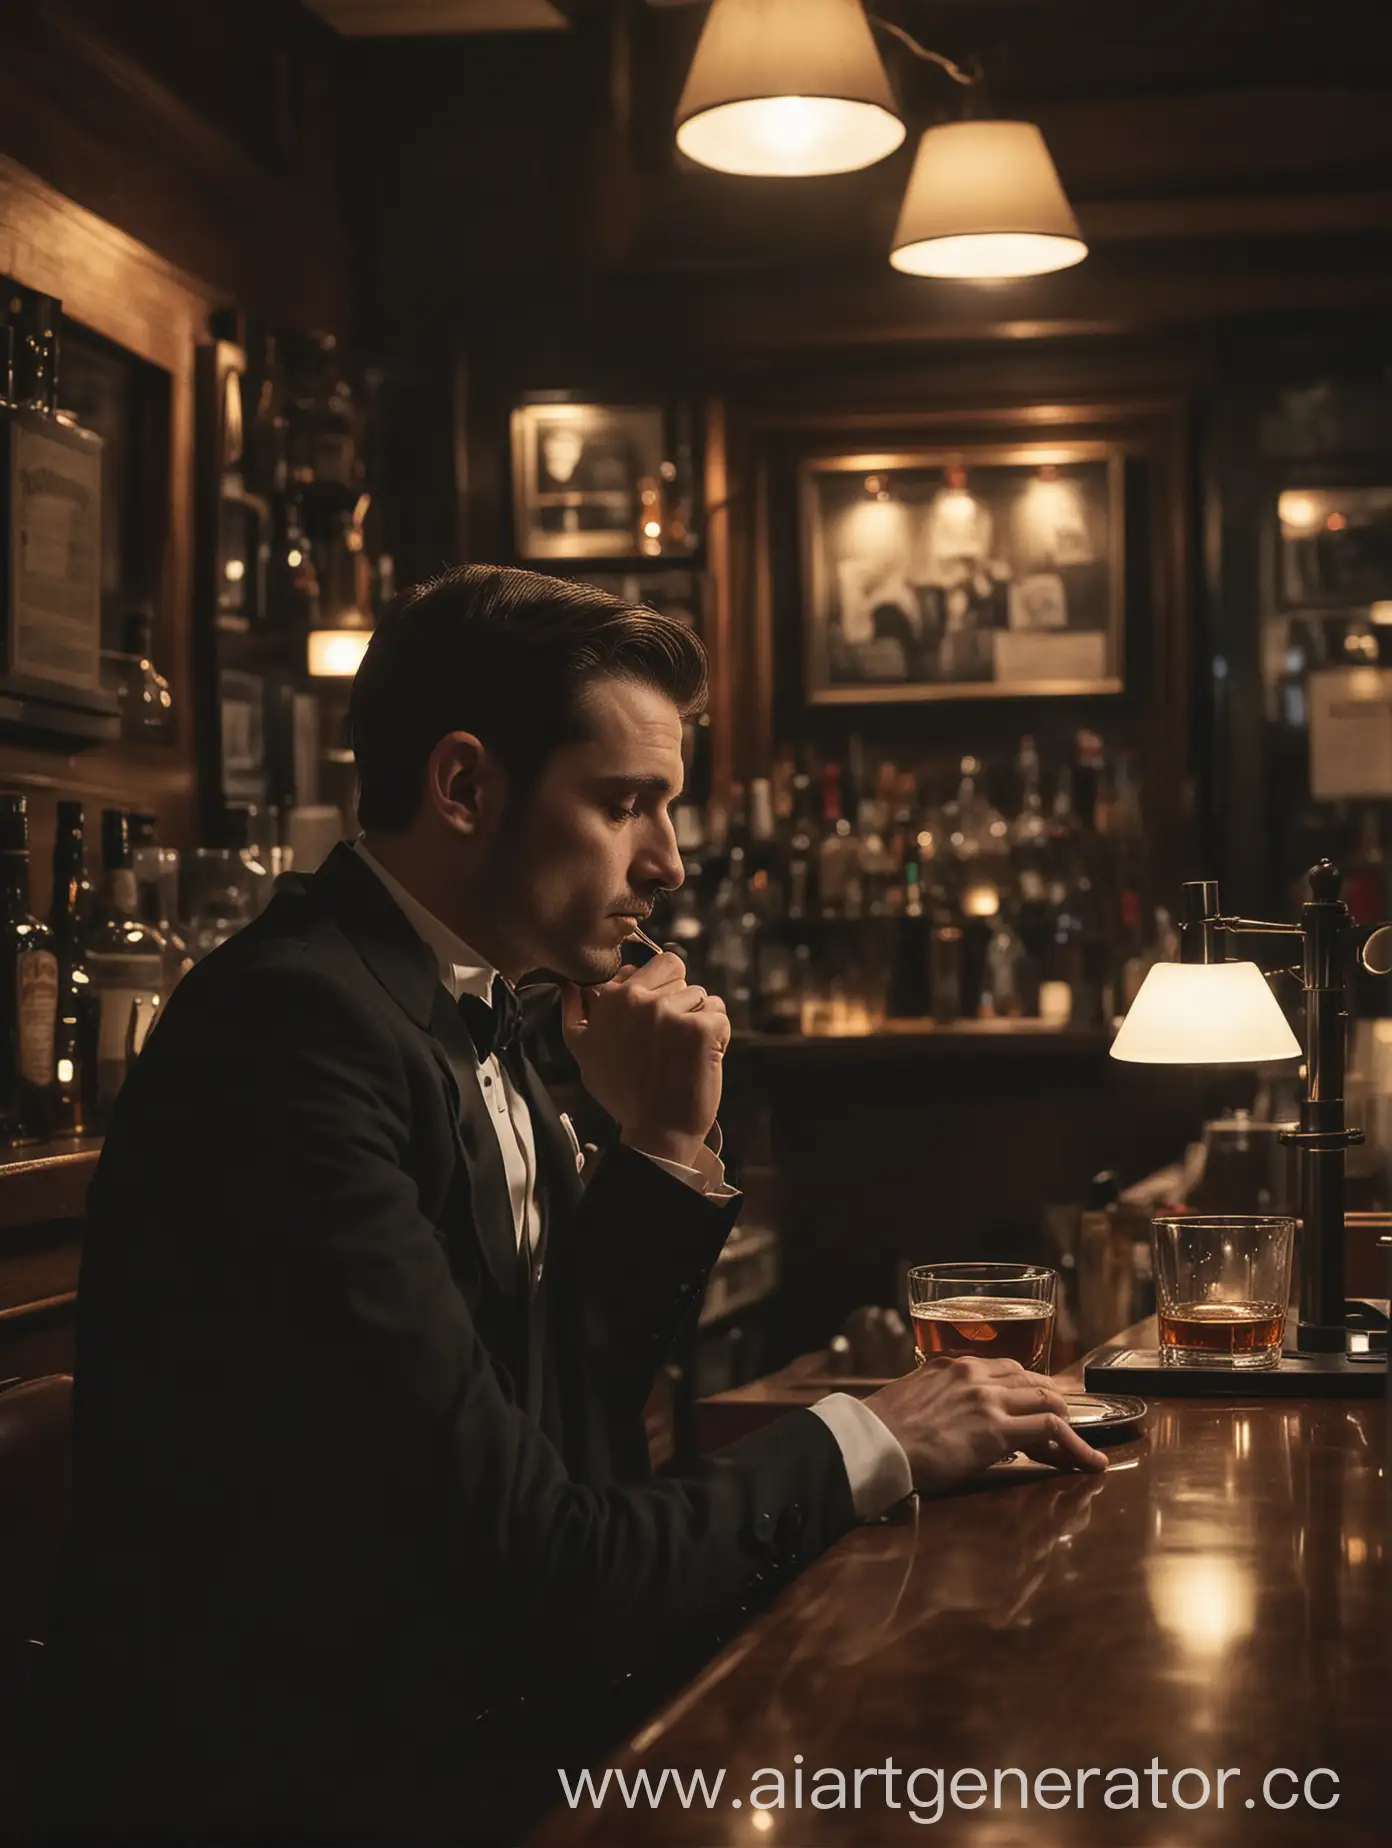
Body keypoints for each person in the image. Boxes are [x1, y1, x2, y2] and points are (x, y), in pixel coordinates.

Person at [46, 566, 1106, 1844]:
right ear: (463, 786)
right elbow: (548, 1566)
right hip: (332, 1789)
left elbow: (565, 1426)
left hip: (478, 1723)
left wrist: (660, 1142)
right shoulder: (294, 1035)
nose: (667, 860)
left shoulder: (482, 1006)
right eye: (625, 805)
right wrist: (871, 1436)